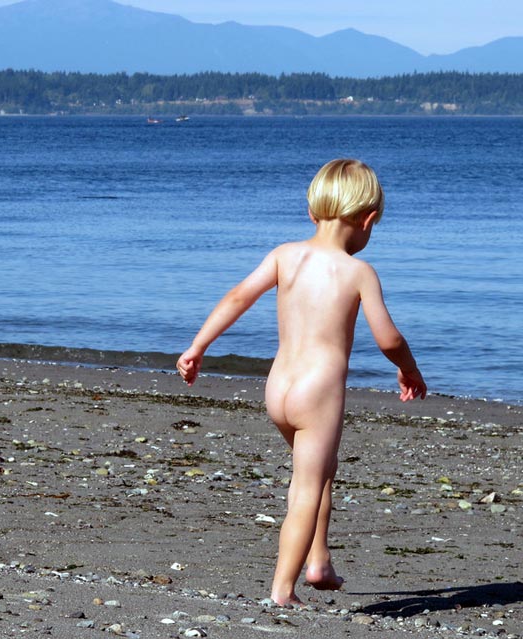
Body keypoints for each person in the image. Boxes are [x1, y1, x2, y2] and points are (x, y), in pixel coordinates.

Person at [177, 158, 426, 606]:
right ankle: (282, 589)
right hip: (318, 393)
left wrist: (197, 347)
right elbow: (388, 337)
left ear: (313, 213)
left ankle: (319, 561)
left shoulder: (284, 255)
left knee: (318, 472)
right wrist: (409, 368)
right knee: (307, 488)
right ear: (368, 220)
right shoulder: (358, 272)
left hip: (279, 387)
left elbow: (238, 297)